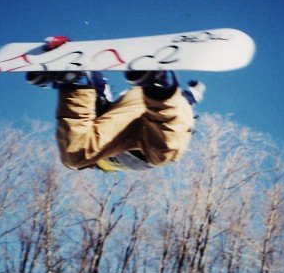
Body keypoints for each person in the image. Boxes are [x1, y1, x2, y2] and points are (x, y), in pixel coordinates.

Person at [26, 36, 206, 172]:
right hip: (146, 123)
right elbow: (100, 95)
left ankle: (74, 78)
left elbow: (99, 95)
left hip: (136, 113)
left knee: (78, 152)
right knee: (164, 150)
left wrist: (72, 73)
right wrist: (191, 94)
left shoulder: (97, 148)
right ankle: (158, 85)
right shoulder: (95, 154)